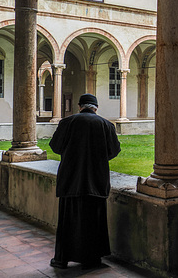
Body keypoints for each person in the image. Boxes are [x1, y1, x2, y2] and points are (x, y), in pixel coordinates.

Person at [49, 93, 121, 269]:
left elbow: (56, 147)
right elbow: (113, 151)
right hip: (96, 179)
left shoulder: (67, 123)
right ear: (95, 108)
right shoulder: (106, 125)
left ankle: (62, 259)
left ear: (80, 106)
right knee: (94, 222)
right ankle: (92, 259)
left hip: (71, 179)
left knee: (68, 221)